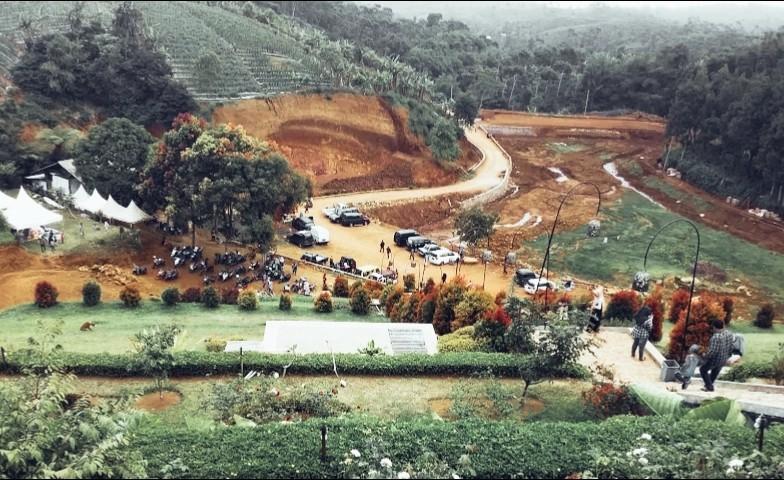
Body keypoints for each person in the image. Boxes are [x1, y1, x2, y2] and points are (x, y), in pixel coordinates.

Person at [699, 319, 736, 392]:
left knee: (703, 370)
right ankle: (708, 386)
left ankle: (709, 387)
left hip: (716, 359)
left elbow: (713, 352)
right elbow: (731, 347)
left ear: (714, 327)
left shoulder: (716, 337)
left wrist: (704, 355)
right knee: (715, 371)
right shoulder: (729, 333)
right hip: (724, 358)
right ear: (723, 326)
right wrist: (728, 356)